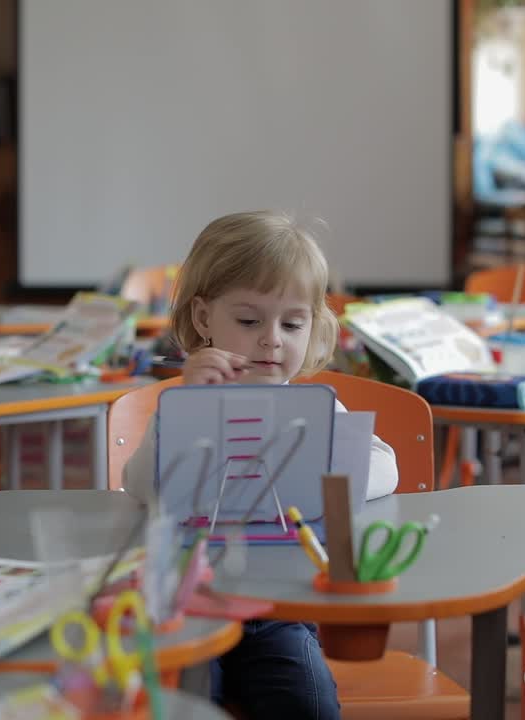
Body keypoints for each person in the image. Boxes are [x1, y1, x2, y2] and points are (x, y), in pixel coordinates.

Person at [123, 210, 399, 719]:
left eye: (292, 323)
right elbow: (139, 484)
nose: (273, 339)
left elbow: (386, 466)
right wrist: (186, 409)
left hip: (281, 610)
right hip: (190, 604)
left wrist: (326, 476)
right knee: (183, 706)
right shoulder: (187, 403)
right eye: (249, 321)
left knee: (309, 706)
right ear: (204, 319)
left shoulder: (314, 406)